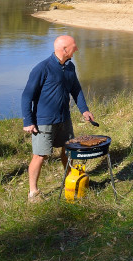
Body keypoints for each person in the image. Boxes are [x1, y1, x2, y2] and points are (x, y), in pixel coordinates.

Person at [21, 35, 95, 203]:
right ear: (64, 49)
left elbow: (76, 89)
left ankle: (71, 180)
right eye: (74, 46)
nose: (76, 49)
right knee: (40, 156)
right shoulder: (42, 68)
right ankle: (33, 192)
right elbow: (26, 96)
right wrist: (28, 121)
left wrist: (84, 110)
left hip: (64, 119)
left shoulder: (69, 67)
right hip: (44, 121)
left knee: (67, 151)